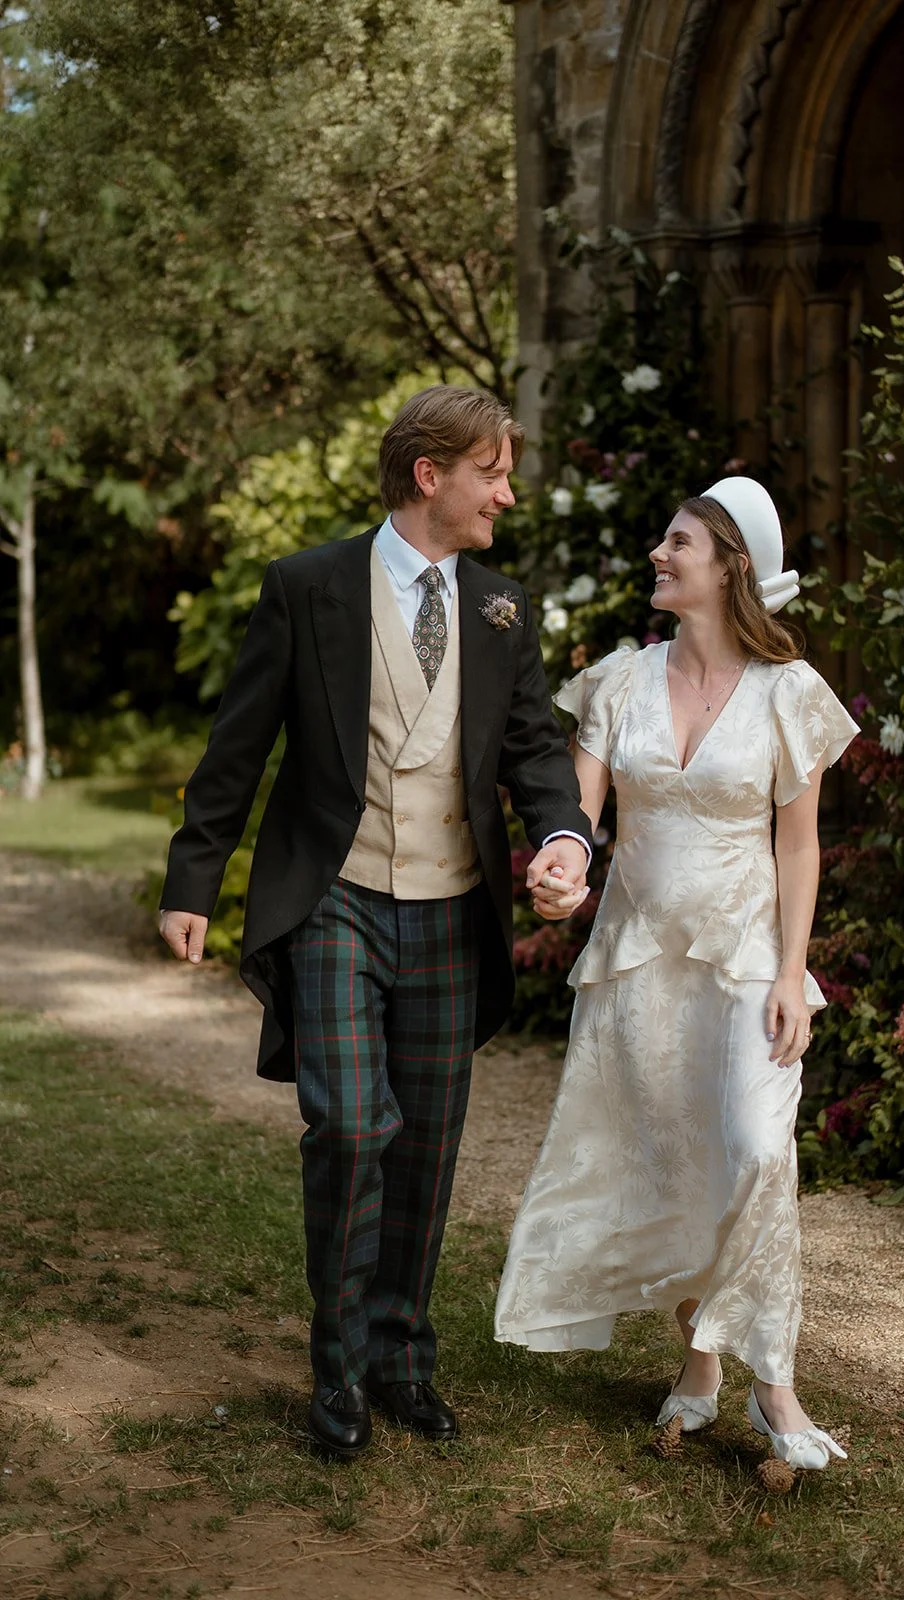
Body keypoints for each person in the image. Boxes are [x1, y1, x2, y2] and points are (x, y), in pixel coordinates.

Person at [159, 385, 593, 1458]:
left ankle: (402, 1356)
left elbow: (537, 752)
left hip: (452, 912)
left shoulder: (500, 604)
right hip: (336, 899)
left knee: (430, 1145)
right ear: (427, 474)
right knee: (353, 1128)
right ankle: (338, 1366)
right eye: (491, 471)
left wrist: (567, 837)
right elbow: (239, 740)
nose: (506, 491)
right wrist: (191, 879)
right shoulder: (306, 587)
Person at [495, 477, 859, 1471]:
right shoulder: (618, 679)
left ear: (729, 563)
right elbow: (576, 817)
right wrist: (558, 871)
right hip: (636, 965)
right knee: (671, 1166)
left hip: (745, 964)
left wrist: (792, 972)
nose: (659, 553)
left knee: (751, 1149)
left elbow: (798, 848)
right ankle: (698, 1367)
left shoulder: (790, 694)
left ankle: (771, 1386)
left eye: (678, 540)